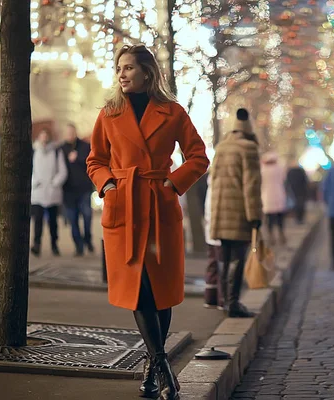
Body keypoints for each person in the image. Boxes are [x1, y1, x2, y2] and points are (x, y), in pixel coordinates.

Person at [86, 44, 209, 400]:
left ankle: (152, 368)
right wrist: (109, 186)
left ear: (147, 73)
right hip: (124, 208)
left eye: (128, 68)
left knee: (161, 292)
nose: (122, 74)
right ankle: (163, 365)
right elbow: (95, 159)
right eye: (119, 68)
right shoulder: (109, 113)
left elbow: (199, 156)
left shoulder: (172, 112)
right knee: (138, 290)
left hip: (159, 206)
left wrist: (172, 183)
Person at [210, 108, 263, 318]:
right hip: (239, 211)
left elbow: (214, 181)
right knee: (238, 259)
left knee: (225, 257)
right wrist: (255, 216)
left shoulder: (221, 147)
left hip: (221, 211)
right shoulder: (248, 148)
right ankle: (233, 303)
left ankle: (226, 302)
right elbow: (251, 186)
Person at [31, 129, 68, 257]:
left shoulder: (56, 152)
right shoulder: (33, 151)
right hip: (38, 191)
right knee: (38, 221)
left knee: (53, 221)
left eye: (46, 136)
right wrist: (34, 182)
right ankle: (36, 244)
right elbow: (30, 170)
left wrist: (54, 183)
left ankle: (54, 244)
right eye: (42, 136)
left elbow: (62, 171)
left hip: (52, 192)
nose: (44, 138)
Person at [61, 123, 94, 257]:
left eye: (72, 133)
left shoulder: (85, 146)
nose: (70, 135)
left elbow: (91, 162)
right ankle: (79, 246)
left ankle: (88, 238)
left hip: (84, 188)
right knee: (72, 219)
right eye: (68, 133)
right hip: (68, 190)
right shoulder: (61, 149)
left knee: (87, 216)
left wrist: (78, 158)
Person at [203, 173, 223, 309]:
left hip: (210, 227)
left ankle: (210, 298)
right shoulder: (222, 181)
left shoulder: (211, 182)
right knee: (223, 264)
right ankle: (223, 299)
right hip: (221, 228)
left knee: (213, 263)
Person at [261, 150, 287, 246]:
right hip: (279, 194)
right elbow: (284, 179)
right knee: (280, 217)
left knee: (269, 218)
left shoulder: (263, 170)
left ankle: (271, 236)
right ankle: (281, 233)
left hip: (267, 196)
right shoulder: (280, 168)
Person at [286, 158, 309, 224]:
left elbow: (287, 182)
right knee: (301, 205)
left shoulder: (290, 172)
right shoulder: (301, 171)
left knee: (295, 204)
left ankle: (297, 218)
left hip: (293, 190)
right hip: (301, 191)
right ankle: (300, 218)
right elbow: (305, 181)